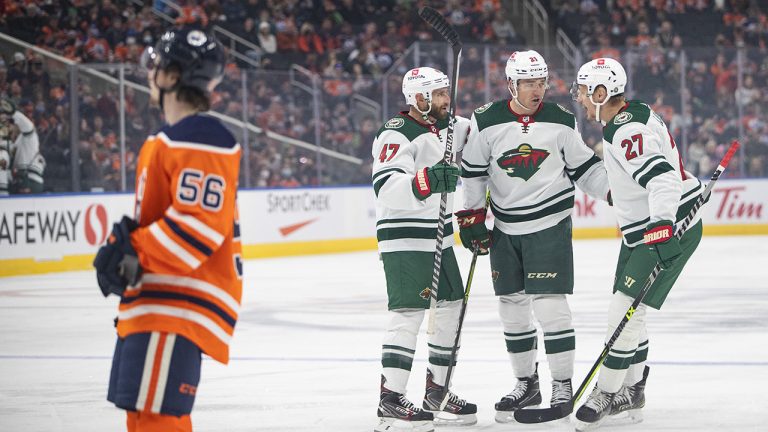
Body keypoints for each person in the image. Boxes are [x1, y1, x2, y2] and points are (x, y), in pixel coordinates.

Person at [92, 27, 242, 432]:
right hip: (157, 300)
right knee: (143, 416)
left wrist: (131, 250)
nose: (149, 73)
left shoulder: (201, 137)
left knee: (158, 420)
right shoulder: (171, 139)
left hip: (175, 303)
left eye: (156, 66)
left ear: (173, 76)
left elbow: (197, 227)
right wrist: (127, 243)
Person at [457, 50, 610, 423]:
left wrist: (615, 192)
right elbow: (474, 171)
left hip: (549, 227)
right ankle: (527, 382)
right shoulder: (486, 120)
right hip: (506, 229)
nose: (537, 89)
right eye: (528, 83)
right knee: (511, 308)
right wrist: (473, 216)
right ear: (512, 84)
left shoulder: (561, 120)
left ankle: (562, 383)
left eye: (541, 81)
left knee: (550, 307)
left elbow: (586, 169)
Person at [570, 57, 704, 430]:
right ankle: (633, 390)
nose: (579, 98)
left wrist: (662, 225)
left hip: (663, 225)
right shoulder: (634, 113)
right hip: (646, 227)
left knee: (625, 311)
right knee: (630, 311)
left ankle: (607, 392)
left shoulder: (624, 131)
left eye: (583, 90)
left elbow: (661, 179)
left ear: (601, 93)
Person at [371, 66, 475, 432]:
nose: (448, 99)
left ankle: (437, 390)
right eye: (441, 94)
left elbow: (482, 130)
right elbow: (386, 188)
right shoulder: (396, 134)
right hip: (405, 237)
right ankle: (390, 399)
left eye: (447, 92)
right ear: (418, 98)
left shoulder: (448, 126)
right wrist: (427, 180)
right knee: (409, 313)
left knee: (451, 306)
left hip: (439, 235)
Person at [0, 97, 45, 193]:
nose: (9, 126)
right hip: (20, 181)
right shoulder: (15, 141)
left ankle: (2, 195)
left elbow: (28, 126)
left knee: (2, 157)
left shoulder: (30, 137)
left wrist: (13, 113)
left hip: (31, 182)